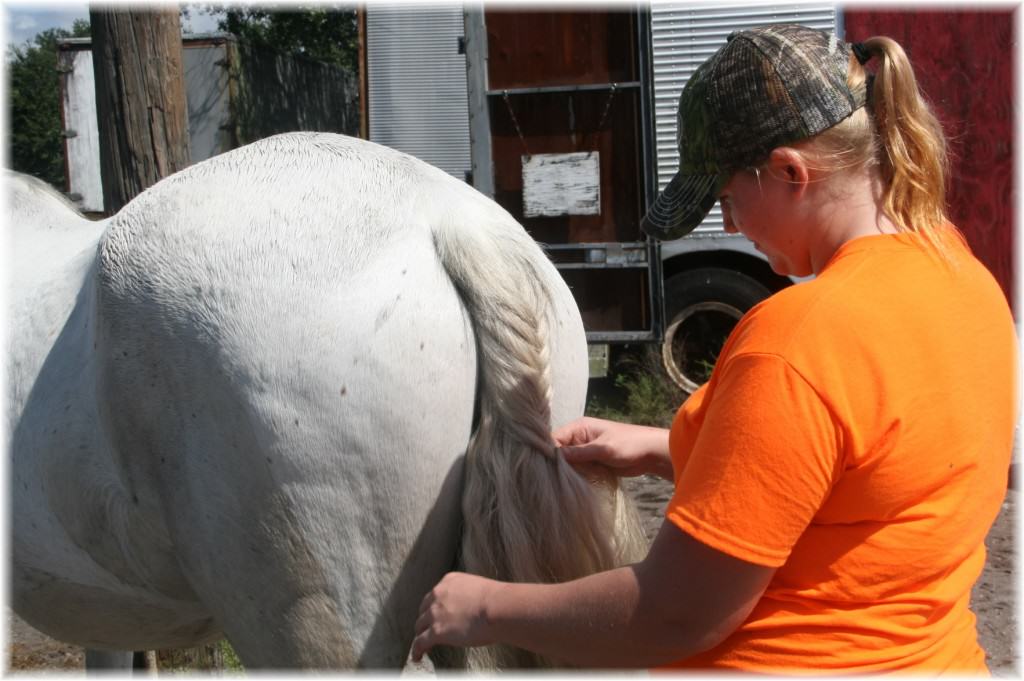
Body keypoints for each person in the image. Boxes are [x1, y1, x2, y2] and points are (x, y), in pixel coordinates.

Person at [411, 23, 1018, 673]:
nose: (730, 226)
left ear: (791, 171)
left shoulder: (799, 339)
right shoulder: (968, 283)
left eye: (728, 199)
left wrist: (488, 607)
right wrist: (658, 447)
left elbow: (675, 614)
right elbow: (858, 480)